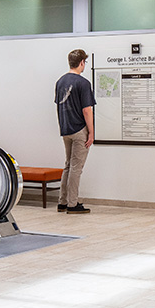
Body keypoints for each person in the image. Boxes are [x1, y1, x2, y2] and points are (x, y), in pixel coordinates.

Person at [54, 48, 95, 215]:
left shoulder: (60, 81)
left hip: (65, 129)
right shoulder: (83, 83)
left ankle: (62, 202)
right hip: (79, 130)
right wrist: (91, 132)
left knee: (68, 166)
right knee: (76, 168)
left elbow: (59, 105)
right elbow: (87, 110)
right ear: (82, 63)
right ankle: (72, 204)